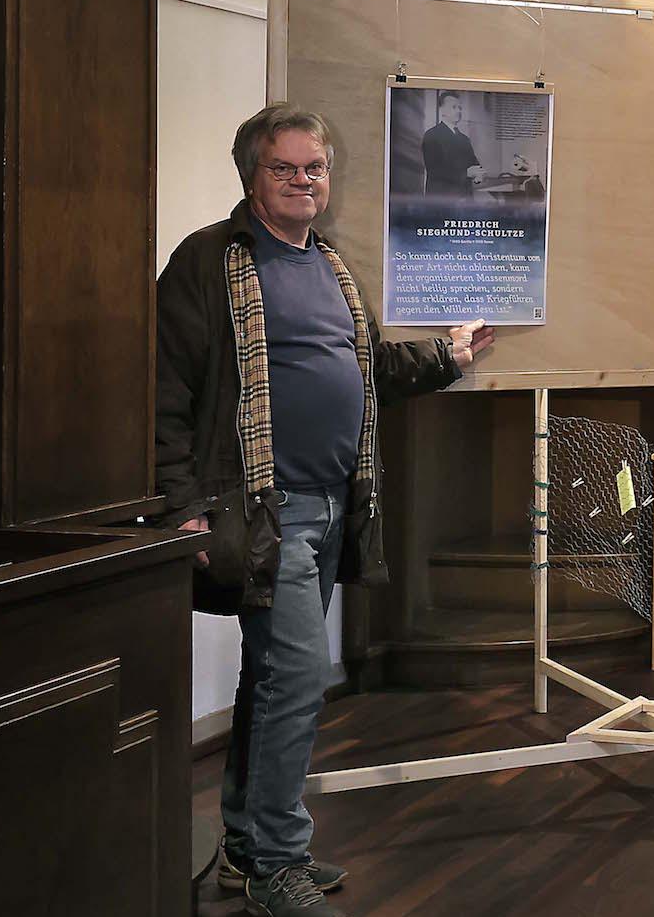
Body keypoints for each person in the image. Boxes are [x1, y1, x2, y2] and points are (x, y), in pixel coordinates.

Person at [157, 104, 495, 917]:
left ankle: (247, 848)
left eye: (316, 168)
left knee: (274, 678)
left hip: (332, 503)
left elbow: (367, 363)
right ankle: (279, 864)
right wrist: (181, 508)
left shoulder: (332, 263)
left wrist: (445, 358)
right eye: (287, 168)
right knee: (298, 675)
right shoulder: (210, 261)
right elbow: (164, 390)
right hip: (260, 512)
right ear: (253, 176)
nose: (305, 181)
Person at [420, 90, 481, 197]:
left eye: (460, 108)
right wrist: (466, 173)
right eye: (454, 107)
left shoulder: (464, 139)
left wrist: (479, 175)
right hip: (441, 200)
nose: (458, 111)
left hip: (464, 199)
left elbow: (474, 163)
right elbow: (435, 170)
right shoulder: (431, 135)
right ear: (442, 110)